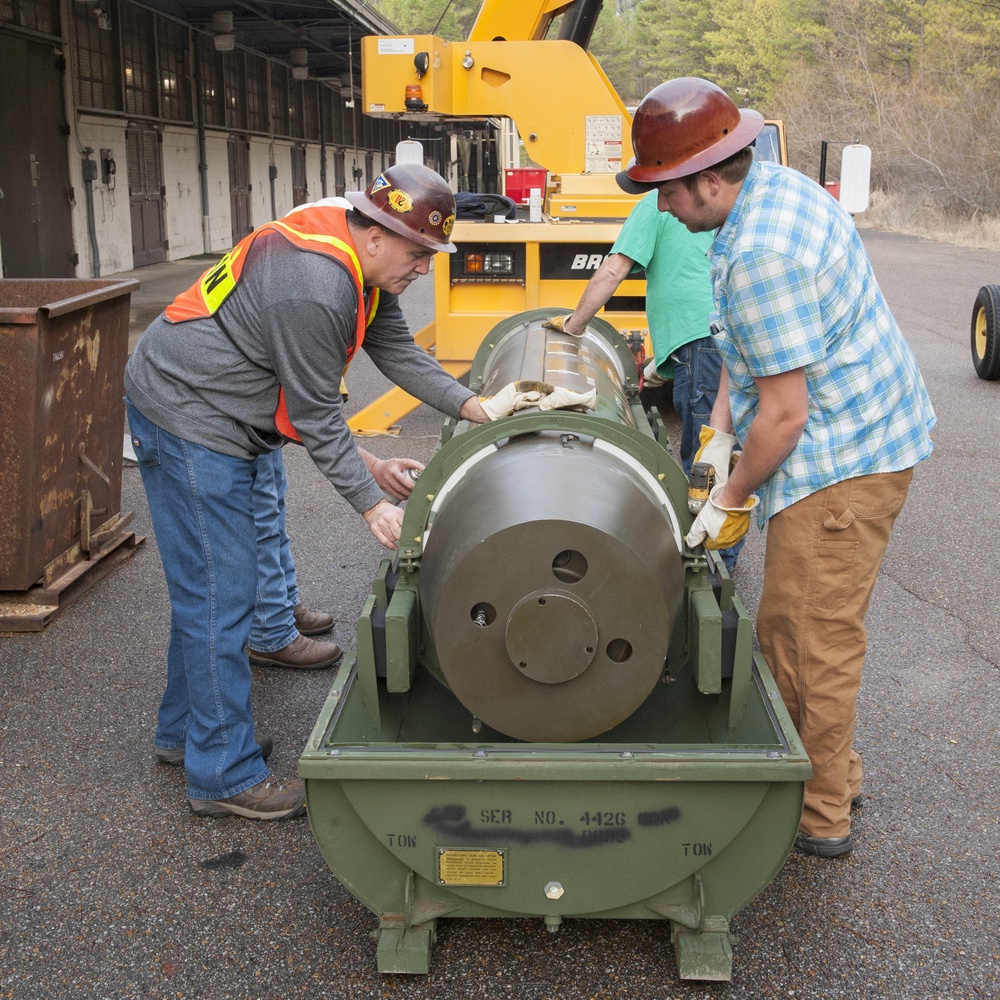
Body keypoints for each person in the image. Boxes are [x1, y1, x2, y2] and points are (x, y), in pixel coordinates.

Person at [618, 77, 935, 858]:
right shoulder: (771, 192)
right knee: (795, 628)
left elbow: (787, 417)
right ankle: (838, 771)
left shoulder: (760, 252)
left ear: (709, 179)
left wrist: (730, 494)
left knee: (806, 636)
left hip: (843, 459)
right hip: (856, 426)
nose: (659, 208)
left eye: (665, 191)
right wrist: (720, 425)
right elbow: (746, 348)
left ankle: (821, 813)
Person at [125, 164, 500, 821]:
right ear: (379, 234)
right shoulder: (316, 285)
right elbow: (317, 412)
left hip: (223, 406)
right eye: (418, 254)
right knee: (221, 593)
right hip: (189, 413)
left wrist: (479, 409)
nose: (422, 269)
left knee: (214, 591)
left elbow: (401, 355)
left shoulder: (361, 269)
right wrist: (370, 501)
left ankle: (187, 736)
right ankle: (223, 777)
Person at [543, 189, 742, 569]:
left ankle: (713, 569)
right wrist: (659, 366)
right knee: (723, 443)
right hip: (715, 335)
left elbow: (613, 269)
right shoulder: (701, 202)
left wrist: (574, 324)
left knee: (705, 457)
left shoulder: (657, 203)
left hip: (701, 338)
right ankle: (719, 553)